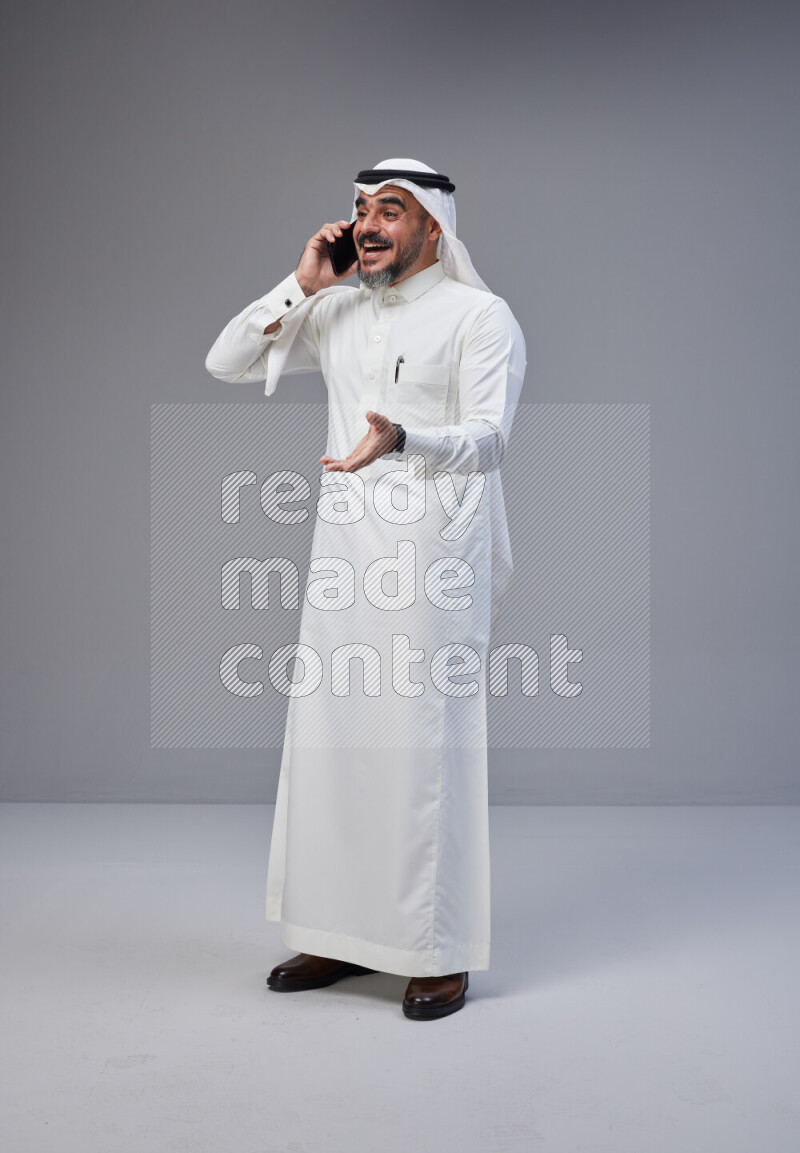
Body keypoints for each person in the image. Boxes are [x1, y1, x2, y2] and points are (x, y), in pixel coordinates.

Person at [205, 158, 526, 1019]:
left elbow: (492, 440)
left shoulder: (480, 316)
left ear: (433, 226)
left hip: (434, 557)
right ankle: (338, 932)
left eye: (392, 208)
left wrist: (404, 438)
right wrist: (300, 284)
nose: (371, 223)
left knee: (424, 748)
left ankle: (439, 948)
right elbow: (225, 360)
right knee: (334, 738)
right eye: (359, 209)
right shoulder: (337, 310)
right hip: (345, 555)